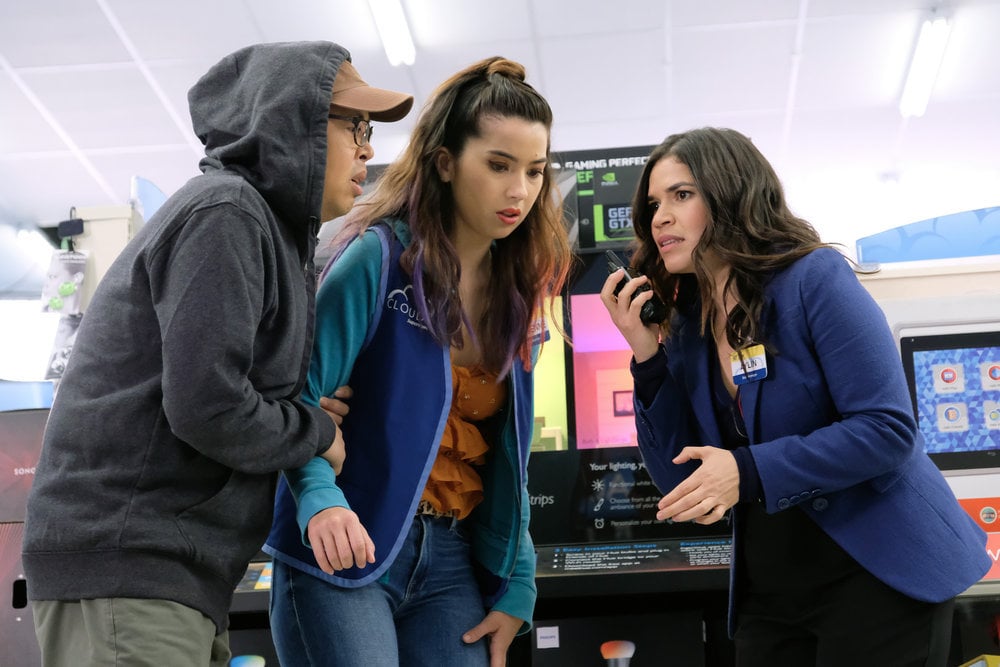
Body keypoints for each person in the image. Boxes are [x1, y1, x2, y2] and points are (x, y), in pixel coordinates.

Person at [22, 41, 413, 666]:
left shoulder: (271, 231)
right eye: (353, 125)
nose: (369, 147)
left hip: (173, 572)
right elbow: (207, 405)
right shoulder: (226, 214)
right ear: (294, 122)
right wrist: (315, 432)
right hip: (128, 563)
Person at [600, 127, 990, 667]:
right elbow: (680, 481)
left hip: (877, 574)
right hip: (773, 594)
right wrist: (647, 357)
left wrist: (748, 470)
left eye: (682, 195)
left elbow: (887, 429)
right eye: (653, 204)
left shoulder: (814, 278)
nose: (659, 217)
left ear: (731, 193)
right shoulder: (689, 325)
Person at [263, 56, 572, 667]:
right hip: (347, 545)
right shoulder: (375, 261)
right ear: (445, 163)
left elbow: (510, 453)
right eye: (499, 165)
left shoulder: (520, 294)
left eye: (535, 172)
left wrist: (518, 581)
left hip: (455, 564)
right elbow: (298, 399)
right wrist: (319, 499)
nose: (520, 191)